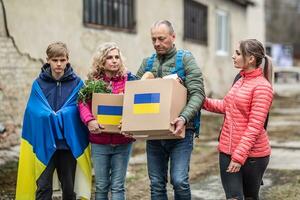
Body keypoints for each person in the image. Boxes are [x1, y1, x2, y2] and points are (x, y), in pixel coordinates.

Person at [136, 20, 205, 200]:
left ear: (173, 37)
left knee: (179, 180)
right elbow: (133, 95)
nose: (157, 43)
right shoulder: (147, 63)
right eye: (153, 39)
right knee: (157, 183)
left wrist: (183, 118)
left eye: (161, 38)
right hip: (155, 134)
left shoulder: (185, 59)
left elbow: (198, 94)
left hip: (181, 131)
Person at [16, 42, 92, 200]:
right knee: (43, 188)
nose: (58, 64)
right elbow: (32, 111)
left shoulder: (77, 84)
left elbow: (80, 108)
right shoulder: (39, 84)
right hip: (44, 144)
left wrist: (64, 113)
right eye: (55, 60)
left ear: (67, 60)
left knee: (69, 189)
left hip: (68, 145)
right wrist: (48, 114)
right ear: (48, 60)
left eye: (62, 60)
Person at [203, 39, 273, 200]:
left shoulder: (262, 87)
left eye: (238, 53)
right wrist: (202, 101)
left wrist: (239, 157)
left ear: (251, 59)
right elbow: (226, 106)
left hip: (253, 157)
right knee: (233, 197)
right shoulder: (240, 81)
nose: (233, 56)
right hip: (227, 151)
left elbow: (254, 127)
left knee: (249, 197)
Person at [78, 42, 136, 200]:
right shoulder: (92, 82)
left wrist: (130, 120)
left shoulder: (129, 80)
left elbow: (138, 103)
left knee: (118, 186)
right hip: (99, 141)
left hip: (123, 141)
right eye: (110, 57)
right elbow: (82, 103)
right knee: (101, 185)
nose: (114, 60)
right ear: (101, 61)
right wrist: (89, 120)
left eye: (117, 57)